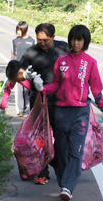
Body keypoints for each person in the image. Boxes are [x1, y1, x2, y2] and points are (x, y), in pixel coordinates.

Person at [34, 24, 103, 201]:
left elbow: (96, 88)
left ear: (85, 42)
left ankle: (68, 187)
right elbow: (56, 85)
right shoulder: (62, 61)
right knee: (61, 150)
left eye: (80, 40)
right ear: (70, 40)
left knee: (76, 150)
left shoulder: (90, 62)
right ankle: (64, 181)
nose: (76, 43)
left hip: (80, 113)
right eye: (73, 39)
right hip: (61, 112)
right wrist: (42, 88)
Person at [20, 23, 69, 185]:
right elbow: (19, 73)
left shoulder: (64, 49)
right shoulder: (31, 52)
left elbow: (78, 65)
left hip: (61, 101)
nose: (42, 43)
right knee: (40, 138)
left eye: (46, 40)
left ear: (53, 37)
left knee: (61, 138)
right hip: (39, 101)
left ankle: (59, 166)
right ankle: (42, 172)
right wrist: (25, 75)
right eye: (40, 40)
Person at [11, 21, 35, 117]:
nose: (17, 32)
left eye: (19, 30)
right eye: (17, 30)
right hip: (18, 69)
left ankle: (26, 107)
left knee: (26, 90)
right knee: (19, 90)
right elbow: (13, 55)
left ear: (24, 30)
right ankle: (20, 110)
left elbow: (34, 57)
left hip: (28, 70)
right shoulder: (15, 41)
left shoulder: (32, 41)